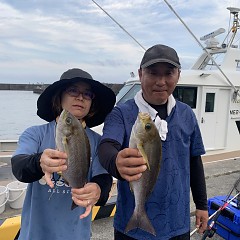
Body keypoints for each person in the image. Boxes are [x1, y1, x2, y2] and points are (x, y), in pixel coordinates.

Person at [98, 44, 209, 240]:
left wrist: (202, 205)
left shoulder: (186, 114)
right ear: (141, 74)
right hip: (130, 226)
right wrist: (116, 162)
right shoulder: (121, 113)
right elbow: (106, 146)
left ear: (178, 75)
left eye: (169, 73)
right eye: (152, 73)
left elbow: (194, 162)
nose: (161, 81)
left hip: (178, 223)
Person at [11, 68, 116, 240]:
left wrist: (97, 190)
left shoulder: (98, 141)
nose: (80, 97)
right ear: (59, 97)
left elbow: (103, 179)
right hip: (35, 234)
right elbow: (19, 167)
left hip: (77, 234)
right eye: (73, 90)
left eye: (87, 94)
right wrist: (39, 162)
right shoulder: (35, 134)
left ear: (91, 103)